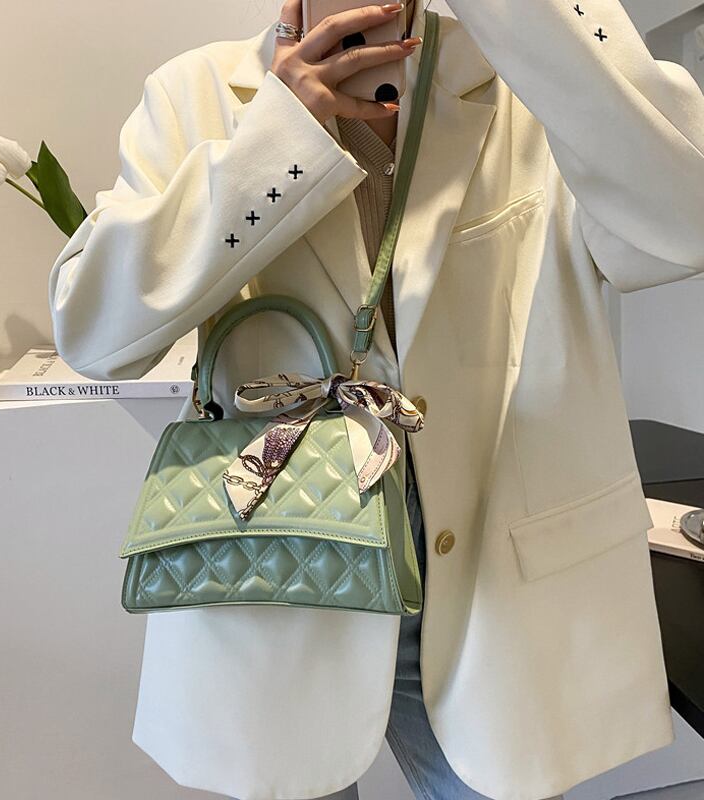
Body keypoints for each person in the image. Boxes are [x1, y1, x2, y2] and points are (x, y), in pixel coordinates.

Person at [47, 1, 704, 798]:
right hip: (280, 579)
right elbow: (96, 331)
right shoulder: (198, 94)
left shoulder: (531, 70)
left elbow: (685, 222)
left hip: (501, 600)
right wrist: (278, 140)